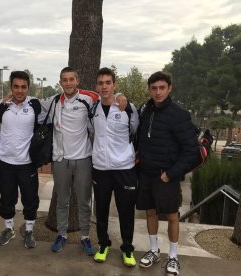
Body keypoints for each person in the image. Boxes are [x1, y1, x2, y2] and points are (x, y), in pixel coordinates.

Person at [136, 71, 198, 276]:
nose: (158, 92)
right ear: (149, 89)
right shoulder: (146, 109)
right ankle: (154, 250)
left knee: (172, 216)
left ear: (169, 88)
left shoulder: (179, 114)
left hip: (166, 175)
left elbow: (191, 151)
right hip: (146, 172)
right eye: (154, 88)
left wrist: (171, 173)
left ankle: (173, 256)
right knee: (150, 212)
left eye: (162, 88)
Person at [41, 67, 99, 255]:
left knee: (84, 202)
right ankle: (62, 234)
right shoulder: (54, 101)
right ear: (60, 82)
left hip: (83, 158)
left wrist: (121, 95)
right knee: (62, 201)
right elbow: (31, 102)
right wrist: (7, 97)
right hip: (61, 159)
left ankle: (85, 237)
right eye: (64, 80)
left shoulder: (88, 99)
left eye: (71, 79)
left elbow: (108, 97)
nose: (68, 83)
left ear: (77, 81)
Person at [91, 67, 139, 266]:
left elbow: (135, 130)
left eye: (108, 83)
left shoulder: (127, 108)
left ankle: (127, 249)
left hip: (124, 168)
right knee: (101, 210)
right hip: (100, 168)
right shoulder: (92, 109)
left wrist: (122, 97)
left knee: (126, 211)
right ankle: (103, 245)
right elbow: (90, 133)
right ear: (97, 86)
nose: (104, 87)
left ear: (114, 85)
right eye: (100, 83)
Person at [0, 71, 41, 249]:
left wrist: (119, 95)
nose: (20, 90)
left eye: (23, 87)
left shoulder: (35, 105)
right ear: (11, 87)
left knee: (30, 199)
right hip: (6, 163)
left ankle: (29, 230)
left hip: (27, 163)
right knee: (7, 199)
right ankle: (8, 229)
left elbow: (61, 100)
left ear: (28, 88)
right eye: (16, 86)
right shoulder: (2, 106)